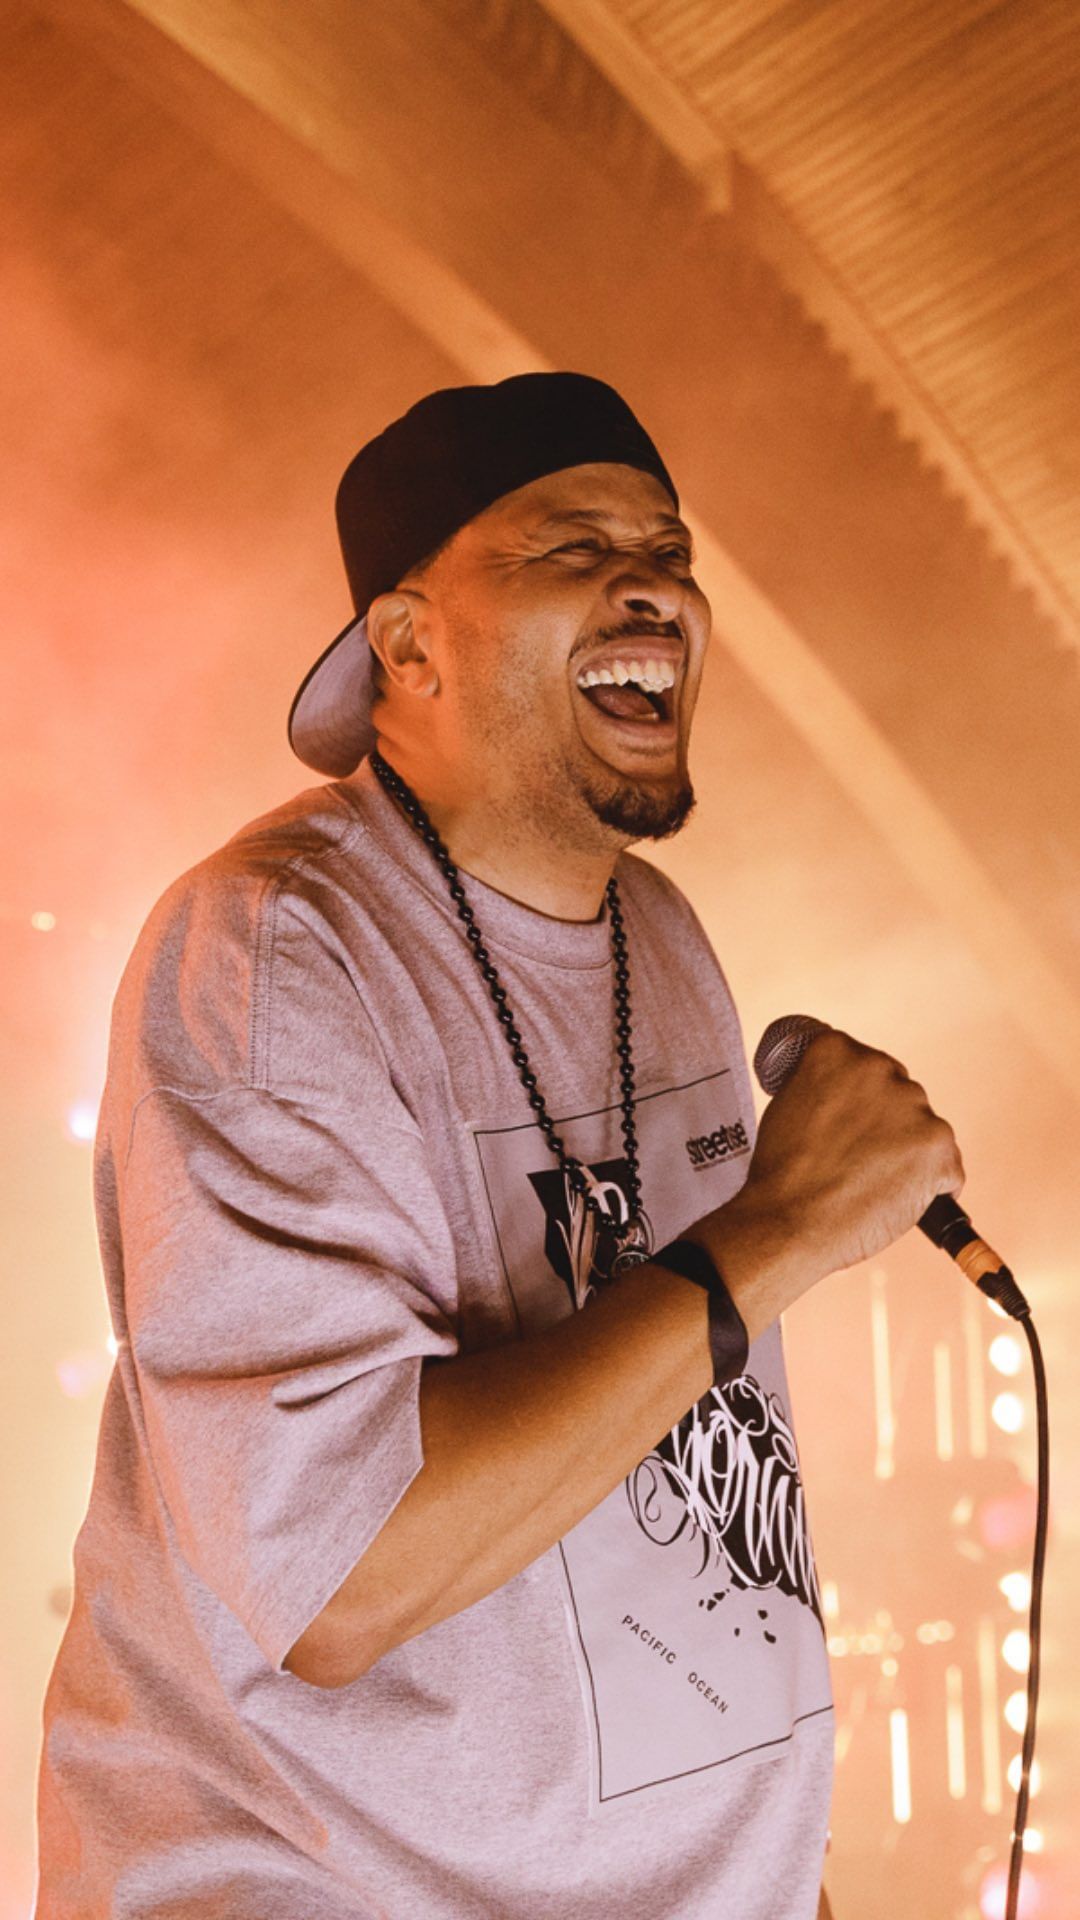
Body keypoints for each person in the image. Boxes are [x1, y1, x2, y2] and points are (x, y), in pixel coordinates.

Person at [35, 373, 963, 1918]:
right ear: (409, 644)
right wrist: (781, 1227)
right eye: (575, 547)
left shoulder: (661, 940)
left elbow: (704, 1487)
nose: (654, 586)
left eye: (668, 550)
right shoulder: (276, 948)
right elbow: (344, 1579)